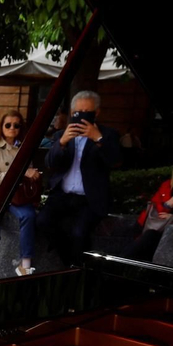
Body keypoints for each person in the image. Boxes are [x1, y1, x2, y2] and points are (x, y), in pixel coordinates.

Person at [41, 90, 123, 265]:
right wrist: (62, 143)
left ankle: (77, 268)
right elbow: (50, 163)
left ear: (97, 113)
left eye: (88, 112)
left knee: (79, 233)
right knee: (42, 222)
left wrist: (98, 138)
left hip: (90, 198)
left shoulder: (108, 135)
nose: (82, 116)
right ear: (72, 113)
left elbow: (115, 161)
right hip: (62, 195)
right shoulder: (61, 135)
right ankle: (69, 262)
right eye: (78, 113)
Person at [0, 110, 41, 280]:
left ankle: (25, 265)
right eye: (8, 125)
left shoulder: (24, 148)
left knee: (29, 216)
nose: (12, 128)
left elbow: (27, 175)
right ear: (1, 126)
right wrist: (22, 173)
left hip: (15, 196)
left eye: (16, 125)